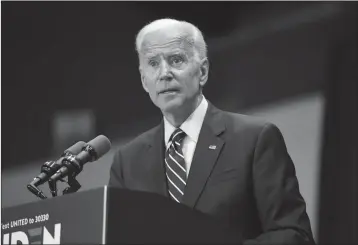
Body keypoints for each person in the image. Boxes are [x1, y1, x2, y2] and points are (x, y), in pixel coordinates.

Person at [109, 18, 314, 244]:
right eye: (153, 64)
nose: (164, 73)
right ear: (144, 81)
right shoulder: (127, 162)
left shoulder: (255, 139)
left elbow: (294, 235)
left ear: (203, 71)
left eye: (176, 60)